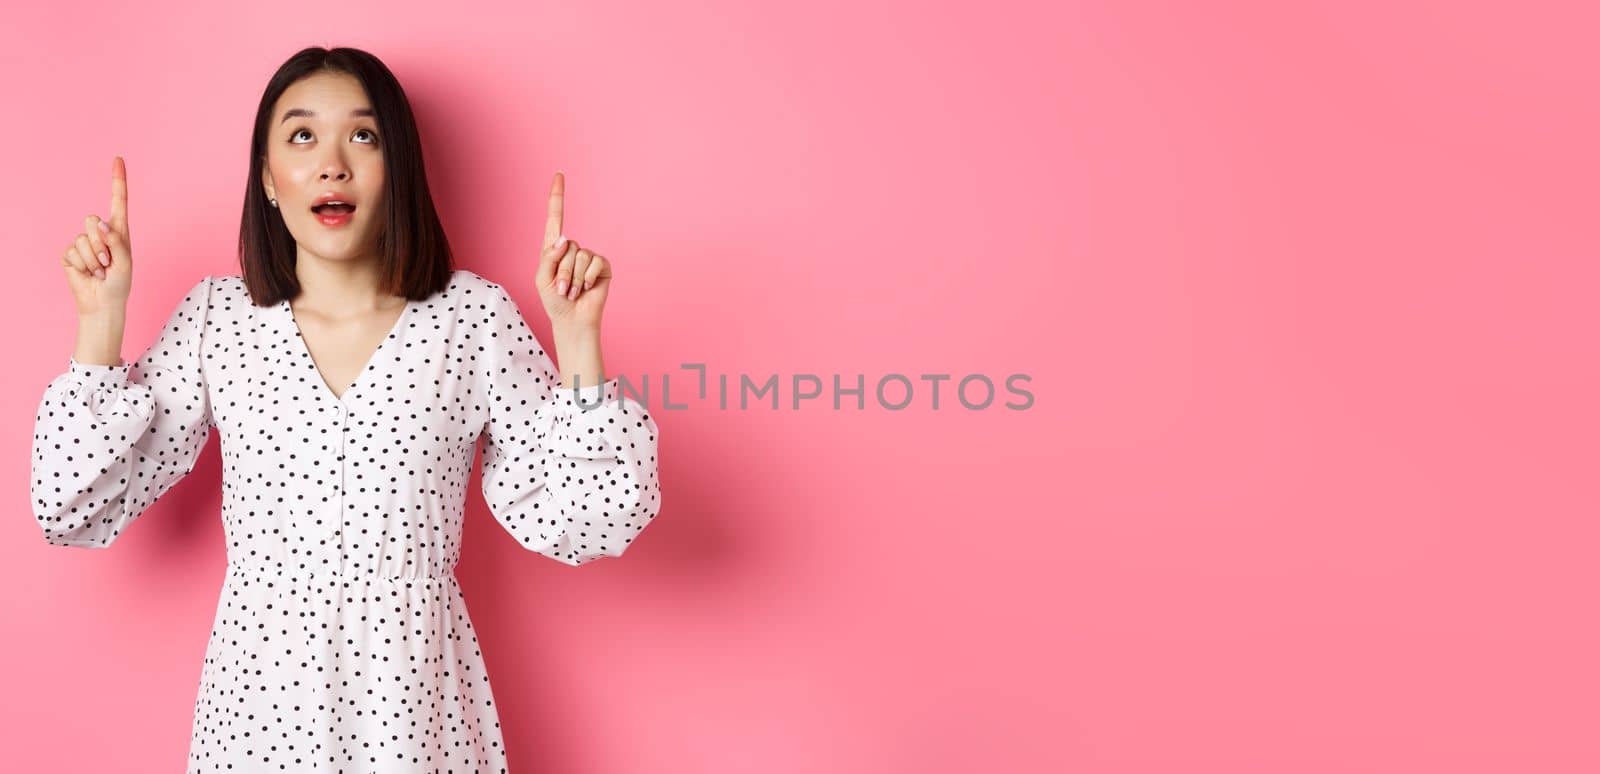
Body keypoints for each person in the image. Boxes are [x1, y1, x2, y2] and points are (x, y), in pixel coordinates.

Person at [29, 46, 662, 772]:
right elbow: (71, 505)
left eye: (363, 136)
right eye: (301, 136)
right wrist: (101, 322)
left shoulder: (471, 318)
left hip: (415, 707)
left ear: (399, 169)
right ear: (268, 179)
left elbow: (594, 518)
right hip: (259, 712)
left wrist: (579, 337)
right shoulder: (219, 320)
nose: (332, 163)